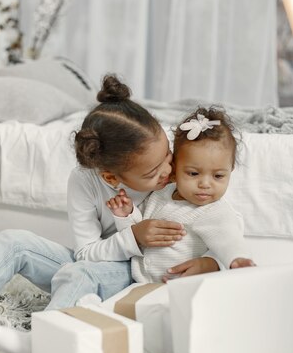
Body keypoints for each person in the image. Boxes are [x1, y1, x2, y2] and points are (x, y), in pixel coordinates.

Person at [0, 75, 220, 349]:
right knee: (13, 242)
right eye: (152, 171)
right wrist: (132, 237)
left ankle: (42, 344)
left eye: (168, 159)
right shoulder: (85, 183)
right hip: (103, 261)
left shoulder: (179, 178)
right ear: (111, 175)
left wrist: (211, 262)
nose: (167, 172)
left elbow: (215, 225)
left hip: (134, 276)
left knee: (78, 274)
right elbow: (85, 252)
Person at [106, 106, 255, 284]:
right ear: (175, 169)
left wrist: (237, 259)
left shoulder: (213, 211)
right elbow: (139, 231)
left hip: (179, 286)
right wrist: (126, 215)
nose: (205, 184)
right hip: (138, 281)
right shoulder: (160, 194)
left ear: (230, 171)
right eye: (193, 173)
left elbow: (228, 238)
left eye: (218, 176)